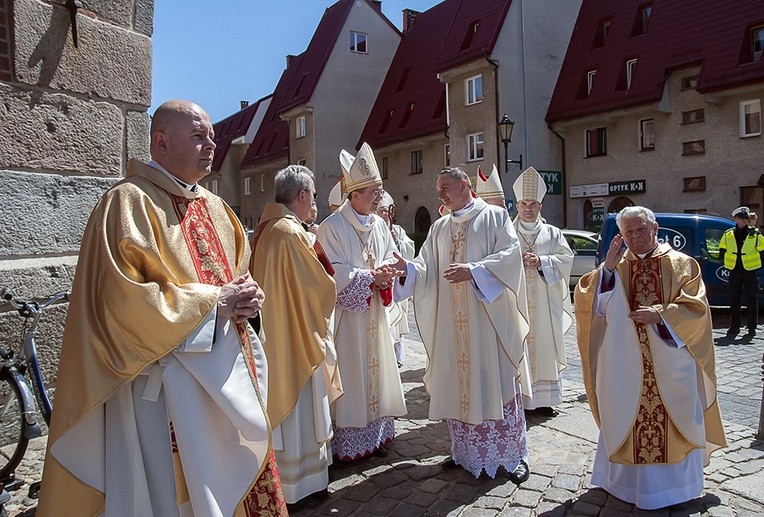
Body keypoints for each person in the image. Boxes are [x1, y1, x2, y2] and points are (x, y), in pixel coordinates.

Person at [38, 100, 287, 516]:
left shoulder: (217, 209)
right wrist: (215, 303)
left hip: (222, 384)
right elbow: (121, 302)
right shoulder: (126, 204)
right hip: (162, 390)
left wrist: (249, 300)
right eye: (198, 136)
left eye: (211, 135)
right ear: (161, 143)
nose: (212, 144)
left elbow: (238, 280)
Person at [574, 206, 727, 510]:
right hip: (624, 365)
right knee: (623, 413)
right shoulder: (615, 266)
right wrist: (605, 270)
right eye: (628, 232)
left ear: (655, 229)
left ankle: (676, 491)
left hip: (672, 364)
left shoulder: (682, 264)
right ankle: (624, 486)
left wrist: (660, 316)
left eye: (640, 229)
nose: (635, 237)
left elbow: (696, 311)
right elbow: (591, 304)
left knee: (675, 419)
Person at [391, 166, 531, 482]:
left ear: (465, 184)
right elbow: (426, 270)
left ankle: (511, 455)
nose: (440, 194)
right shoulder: (439, 228)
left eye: (446, 187)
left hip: (488, 324)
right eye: (438, 188)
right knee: (460, 384)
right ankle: (466, 453)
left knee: (495, 382)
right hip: (453, 331)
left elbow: (511, 256)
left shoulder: (494, 218)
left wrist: (476, 271)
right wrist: (407, 270)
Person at [249, 165, 343, 504]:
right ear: (301, 196)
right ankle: (303, 486)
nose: (315, 201)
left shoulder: (264, 230)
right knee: (301, 410)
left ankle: (287, 481)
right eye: (314, 195)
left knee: (285, 414)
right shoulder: (291, 234)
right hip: (298, 338)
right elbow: (321, 287)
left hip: (273, 336)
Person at [316, 143, 406, 461]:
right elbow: (331, 273)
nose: (379, 197)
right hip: (348, 320)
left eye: (380, 190)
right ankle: (349, 441)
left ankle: (377, 435)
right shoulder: (331, 228)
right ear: (354, 194)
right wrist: (371, 278)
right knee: (352, 373)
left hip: (375, 314)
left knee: (378, 370)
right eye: (373, 192)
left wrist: (387, 273)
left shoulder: (380, 225)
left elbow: (389, 257)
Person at [512, 167, 573, 415]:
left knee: (545, 347)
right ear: (516, 206)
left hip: (546, 304)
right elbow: (496, 260)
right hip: (518, 302)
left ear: (540, 207)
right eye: (524, 203)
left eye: (533, 203)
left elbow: (566, 258)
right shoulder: (506, 231)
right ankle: (521, 399)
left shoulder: (553, 233)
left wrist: (542, 262)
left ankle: (544, 401)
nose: (528, 208)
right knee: (519, 345)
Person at [377, 191, 415, 366]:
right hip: (382, 281)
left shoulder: (397, 230)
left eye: (387, 211)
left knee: (398, 321)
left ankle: (398, 356)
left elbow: (409, 251)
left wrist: (397, 242)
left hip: (396, 282)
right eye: (381, 210)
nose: (385, 214)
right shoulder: (374, 228)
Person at [719, 206, 764, 337]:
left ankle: (751, 328)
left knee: (751, 300)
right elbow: (722, 250)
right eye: (742, 218)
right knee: (734, 300)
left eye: (746, 218)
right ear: (735, 219)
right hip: (734, 270)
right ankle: (734, 327)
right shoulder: (728, 234)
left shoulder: (755, 234)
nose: (744, 220)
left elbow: (762, 251)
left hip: (750, 271)